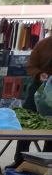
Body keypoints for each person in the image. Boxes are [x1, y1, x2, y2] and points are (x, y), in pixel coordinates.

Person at [13, 35, 52, 164]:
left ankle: (46, 162)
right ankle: (19, 159)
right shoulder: (43, 45)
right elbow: (31, 66)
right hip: (38, 88)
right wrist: (39, 74)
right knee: (28, 120)